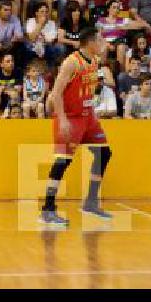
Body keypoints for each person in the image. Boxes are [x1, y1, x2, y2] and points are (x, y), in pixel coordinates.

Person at [40, 27, 113, 226]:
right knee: (62, 162)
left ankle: (90, 202)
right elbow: (55, 94)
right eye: (99, 40)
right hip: (70, 118)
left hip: (88, 117)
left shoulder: (94, 59)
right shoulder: (71, 62)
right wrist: (62, 119)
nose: (101, 43)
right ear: (90, 43)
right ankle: (47, 209)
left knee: (104, 153)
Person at [96, 0, 148, 73]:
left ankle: (122, 73)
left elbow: (141, 25)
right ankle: (102, 72)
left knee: (121, 47)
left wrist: (126, 27)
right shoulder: (101, 20)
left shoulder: (123, 20)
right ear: (108, 9)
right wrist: (108, 44)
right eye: (114, 7)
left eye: (118, 8)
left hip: (119, 41)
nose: (116, 10)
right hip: (105, 42)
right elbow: (98, 35)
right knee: (104, 48)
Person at [25, 2, 63, 69]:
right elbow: (32, 38)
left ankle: (50, 67)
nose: (45, 14)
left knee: (58, 48)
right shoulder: (30, 21)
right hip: (33, 47)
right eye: (42, 12)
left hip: (46, 47)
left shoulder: (52, 23)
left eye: (46, 12)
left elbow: (50, 41)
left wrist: (44, 40)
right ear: (36, 13)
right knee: (26, 45)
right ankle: (28, 67)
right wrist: (40, 24)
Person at [0, 54, 23, 119]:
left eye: (12, 61)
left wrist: (2, 88)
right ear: (2, 64)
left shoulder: (18, 71)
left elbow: (18, 89)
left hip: (12, 99)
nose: (11, 63)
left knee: (14, 94)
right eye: (8, 61)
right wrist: (6, 89)